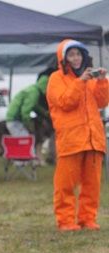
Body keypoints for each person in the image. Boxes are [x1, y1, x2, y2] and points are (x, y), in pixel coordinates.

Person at [46, 39, 108, 231]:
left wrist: (101, 81)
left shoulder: (88, 79)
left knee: (92, 184)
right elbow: (65, 102)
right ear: (63, 59)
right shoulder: (56, 79)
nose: (76, 58)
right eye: (71, 55)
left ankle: (87, 219)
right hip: (71, 140)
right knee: (65, 185)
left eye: (78, 54)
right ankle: (65, 221)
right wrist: (80, 82)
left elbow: (102, 102)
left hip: (93, 139)